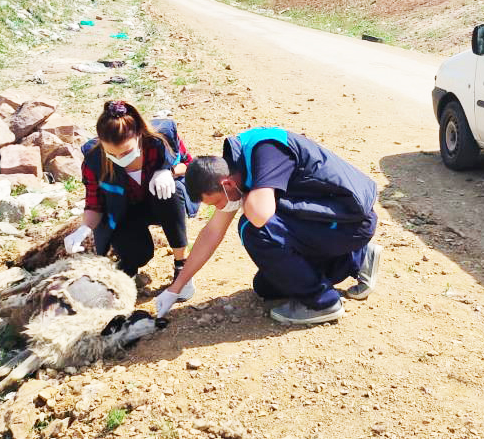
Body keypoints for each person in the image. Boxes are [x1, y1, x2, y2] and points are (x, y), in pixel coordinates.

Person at [155, 127, 382, 325]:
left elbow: (261, 214)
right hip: (325, 222)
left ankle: (323, 303)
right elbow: (212, 232)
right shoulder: (236, 170)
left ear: (226, 183)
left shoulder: (265, 150)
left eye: (217, 202)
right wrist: (176, 288)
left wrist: (240, 200)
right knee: (266, 287)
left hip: (349, 220)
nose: (222, 207)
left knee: (253, 228)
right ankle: (357, 258)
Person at [63, 101, 200, 300]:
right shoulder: (94, 159)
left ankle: (182, 267)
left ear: (139, 135)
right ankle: (127, 269)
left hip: (160, 202)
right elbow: (95, 204)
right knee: (138, 253)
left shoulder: (161, 139)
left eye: (126, 152)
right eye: (112, 154)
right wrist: (84, 229)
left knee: (172, 190)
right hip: (124, 209)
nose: (120, 158)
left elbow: (189, 164)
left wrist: (168, 171)